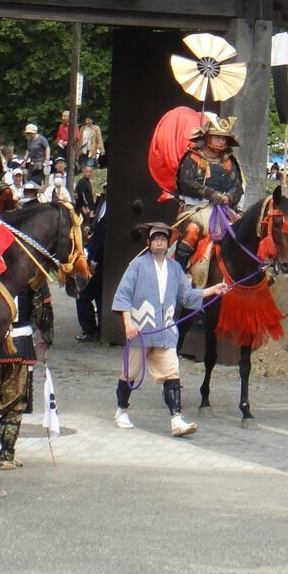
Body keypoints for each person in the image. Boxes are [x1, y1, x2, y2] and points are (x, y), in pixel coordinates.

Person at [111, 223, 225, 435]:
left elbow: (187, 296)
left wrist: (213, 290)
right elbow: (123, 295)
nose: (159, 242)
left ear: (168, 243)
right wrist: (128, 323)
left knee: (172, 372)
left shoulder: (175, 268)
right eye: (156, 239)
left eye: (163, 239)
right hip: (140, 330)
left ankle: (176, 419)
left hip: (166, 331)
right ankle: (121, 411)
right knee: (130, 373)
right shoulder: (137, 266)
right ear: (149, 243)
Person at [0, 283, 55, 470]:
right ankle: (7, 455)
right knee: (15, 401)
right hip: (19, 342)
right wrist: (47, 337)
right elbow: (43, 307)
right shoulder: (31, 273)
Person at [172, 116, 244, 270]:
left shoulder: (229, 162)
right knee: (192, 231)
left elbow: (238, 188)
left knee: (246, 231)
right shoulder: (193, 157)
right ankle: (178, 272)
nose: (221, 141)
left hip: (225, 210)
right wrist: (210, 193)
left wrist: (228, 197)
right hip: (196, 209)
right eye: (218, 137)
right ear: (207, 137)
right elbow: (185, 182)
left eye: (224, 138)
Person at [74, 190, 105, 341]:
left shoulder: (109, 208)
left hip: (99, 259)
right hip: (93, 253)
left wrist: (94, 261)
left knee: (83, 294)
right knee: (98, 295)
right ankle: (98, 329)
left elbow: (102, 237)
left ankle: (90, 330)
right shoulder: (101, 203)